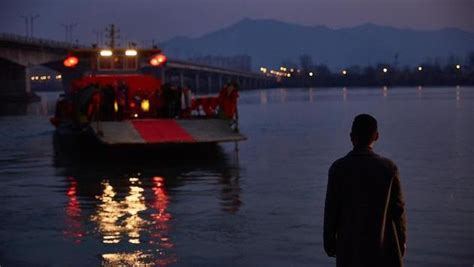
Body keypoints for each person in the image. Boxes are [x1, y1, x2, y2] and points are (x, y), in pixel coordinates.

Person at [324, 114, 407, 267]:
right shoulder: (389, 169)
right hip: (384, 253)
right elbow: (398, 212)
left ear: (351, 137)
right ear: (376, 136)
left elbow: (331, 211)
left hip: (350, 253)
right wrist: (401, 241)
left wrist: (329, 244)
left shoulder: (338, 169)